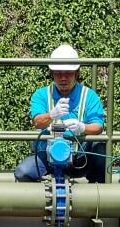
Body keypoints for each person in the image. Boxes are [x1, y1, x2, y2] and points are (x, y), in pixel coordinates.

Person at [13, 44, 107, 183]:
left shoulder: (89, 96)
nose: (63, 78)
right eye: (58, 73)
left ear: (77, 73)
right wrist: (52, 114)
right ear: (52, 73)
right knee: (23, 172)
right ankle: (41, 200)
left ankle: (97, 196)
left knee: (101, 150)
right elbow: (37, 122)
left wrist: (82, 127)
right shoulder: (41, 95)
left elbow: (98, 126)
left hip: (80, 157)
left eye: (68, 73)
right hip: (48, 156)